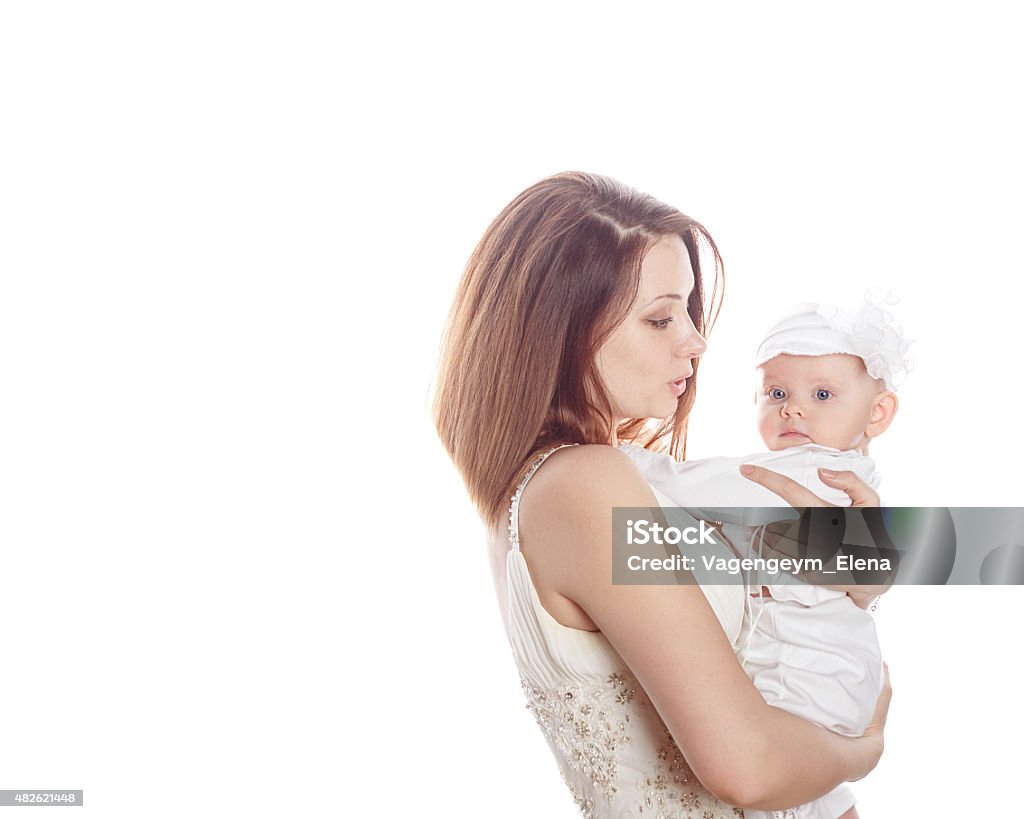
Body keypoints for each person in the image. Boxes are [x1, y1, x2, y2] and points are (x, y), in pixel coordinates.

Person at [433, 172, 891, 819]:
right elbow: (747, 766)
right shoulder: (585, 485)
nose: (696, 341)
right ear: (563, 328)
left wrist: (859, 569)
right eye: (659, 318)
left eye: (687, 311)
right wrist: (863, 748)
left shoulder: (560, 487)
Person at [622, 297, 910, 819]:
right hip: (837, 678)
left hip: (802, 673)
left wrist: (624, 458)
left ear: (878, 412)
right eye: (776, 393)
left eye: (822, 394)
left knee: (782, 797)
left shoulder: (805, 472)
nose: (793, 409)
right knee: (818, 797)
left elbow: (693, 483)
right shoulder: (852, 474)